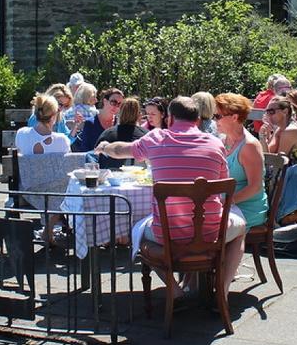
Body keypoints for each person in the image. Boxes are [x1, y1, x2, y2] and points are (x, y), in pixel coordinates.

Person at [96, 97, 246, 300]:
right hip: (211, 233)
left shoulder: (156, 138)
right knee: (241, 227)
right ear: (197, 119)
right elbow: (222, 188)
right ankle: (223, 288)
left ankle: (174, 289)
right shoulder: (216, 143)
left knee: (137, 230)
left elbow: (121, 150)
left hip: (168, 234)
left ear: (170, 118)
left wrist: (105, 146)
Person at [214, 93, 268, 284]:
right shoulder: (222, 141)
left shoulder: (249, 146)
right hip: (227, 201)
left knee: (217, 227)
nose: (215, 120)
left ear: (234, 117)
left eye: (218, 116)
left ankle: (223, 285)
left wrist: (226, 202)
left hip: (249, 205)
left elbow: (255, 187)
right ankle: (195, 281)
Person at [260, 97, 297, 166]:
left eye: (271, 112)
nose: (268, 115)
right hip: (294, 172)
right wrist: (263, 136)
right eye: (267, 112)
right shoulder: (280, 129)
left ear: (285, 111)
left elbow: (277, 163)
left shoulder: (291, 131)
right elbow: (268, 155)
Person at [97, 96, 147, 169]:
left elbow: (96, 154)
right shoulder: (146, 135)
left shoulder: (108, 134)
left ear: (120, 113)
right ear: (138, 115)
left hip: (111, 177)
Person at [72, 87, 124, 152]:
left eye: (119, 104)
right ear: (105, 101)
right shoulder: (90, 123)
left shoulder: (120, 124)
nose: (116, 106)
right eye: (113, 102)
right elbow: (84, 149)